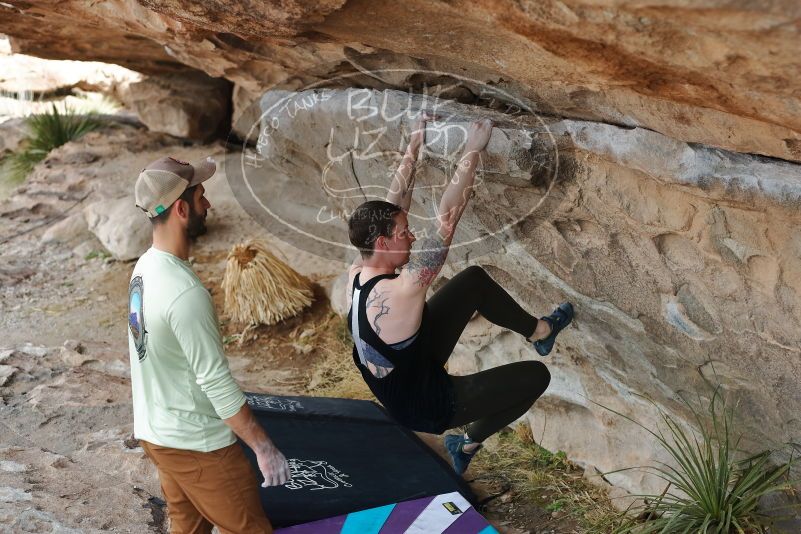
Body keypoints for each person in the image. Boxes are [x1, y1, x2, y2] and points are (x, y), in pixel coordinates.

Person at [346, 116, 574, 475]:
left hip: (412, 366)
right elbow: (448, 219)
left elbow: (392, 204)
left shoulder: (358, 272)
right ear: (383, 242)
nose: (413, 236)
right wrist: (473, 149)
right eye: (405, 233)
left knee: (472, 281)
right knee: (536, 378)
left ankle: (539, 332)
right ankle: (467, 443)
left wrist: (414, 146)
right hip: (427, 404)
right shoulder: (403, 289)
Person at [128, 156, 288, 533]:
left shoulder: (144, 268)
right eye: (201, 196)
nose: (209, 204)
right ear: (181, 208)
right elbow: (216, 383)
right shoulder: (185, 293)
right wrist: (263, 448)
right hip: (197, 444)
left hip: (157, 433)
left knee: (188, 527)